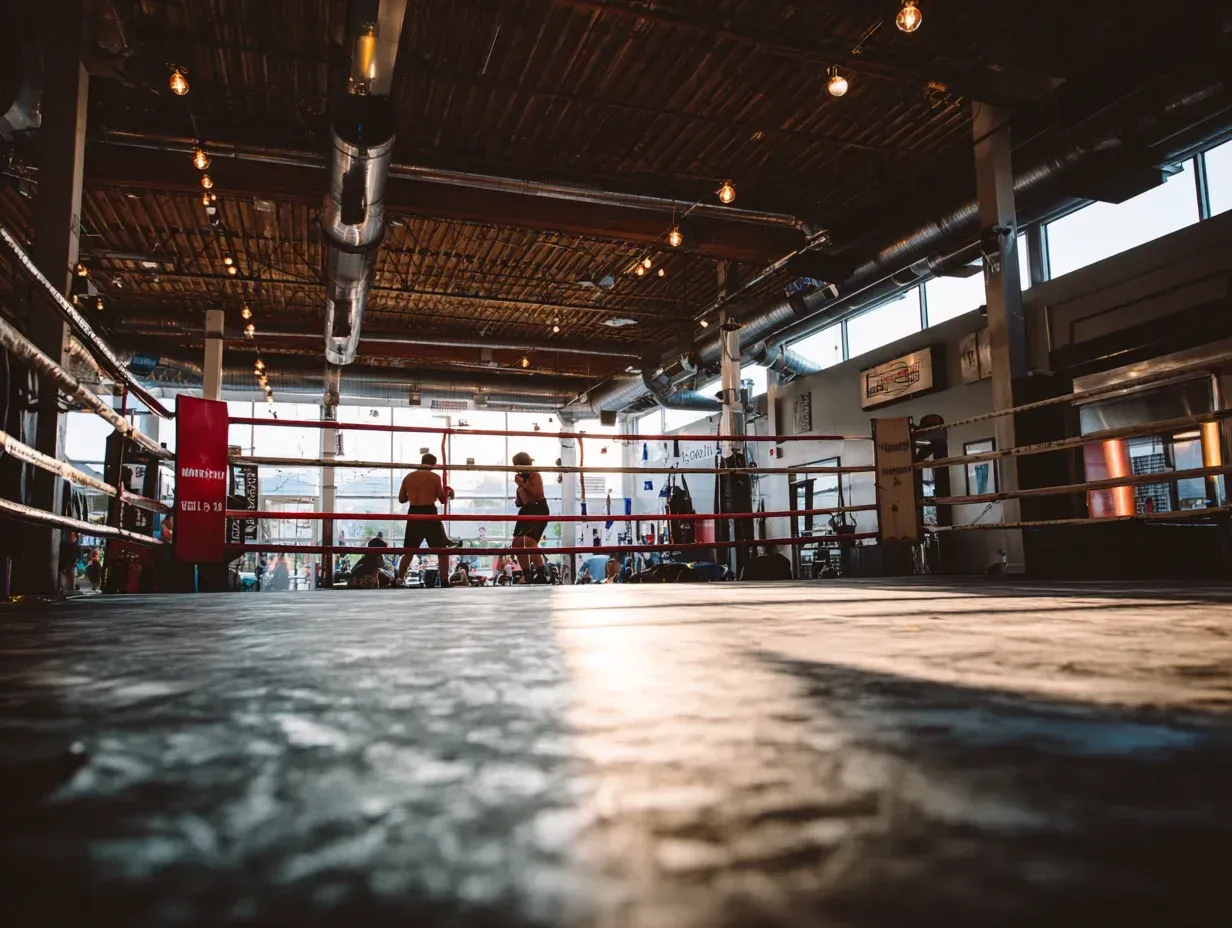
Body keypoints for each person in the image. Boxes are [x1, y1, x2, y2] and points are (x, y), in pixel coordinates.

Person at [396, 452, 459, 586]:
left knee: (409, 550)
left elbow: (401, 499)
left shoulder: (408, 477)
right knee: (442, 551)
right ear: (433, 464)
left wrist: (413, 494)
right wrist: (448, 493)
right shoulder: (434, 477)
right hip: (429, 511)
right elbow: (442, 499)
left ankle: (400, 579)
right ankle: (444, 580)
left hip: (413, 512)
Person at [511, 451, 549, 580]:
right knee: (517, 542)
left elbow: (536, 495)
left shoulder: (534, 475)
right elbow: (520, 502)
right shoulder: (521, 478)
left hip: (538, 508)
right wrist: (518, 497)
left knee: (529, 541)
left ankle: (541, 573)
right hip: (526, 510)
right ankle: (526, 574)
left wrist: (522, 485)